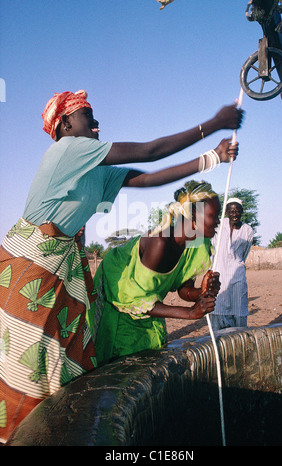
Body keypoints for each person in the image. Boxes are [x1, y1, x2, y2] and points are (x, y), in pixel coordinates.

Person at [0, 89, 242, 442]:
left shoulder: (98, 169)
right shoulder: (67, 151)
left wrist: (212, 159)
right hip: (32, 267)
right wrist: (213, 125)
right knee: (27, 361)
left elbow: (148, 177)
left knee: (56, 368)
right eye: (89, 117)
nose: (97, 125)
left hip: (59, 271)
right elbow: (150, 150)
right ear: (65, 124)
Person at [87, 180, 224, 365]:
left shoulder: (198, 243)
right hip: (118, 300)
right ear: (194, 218)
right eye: (213, 216)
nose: (218, 222)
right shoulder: (159, 244)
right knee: (121, 359)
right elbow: (136, 300)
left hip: (148, 304)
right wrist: (190, 313)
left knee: (150, 354)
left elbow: (183, 288)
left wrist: (200, 292)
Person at [210, 197, 254, 331]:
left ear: (241, 211)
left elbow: (244, 254)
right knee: (218, 306)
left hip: (237, 276)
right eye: (231, 211)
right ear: (227, 212)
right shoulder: (218, 225)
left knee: (238, 307)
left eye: (237, 211)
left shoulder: (247, 230)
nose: (234, 214)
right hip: (219, 273)